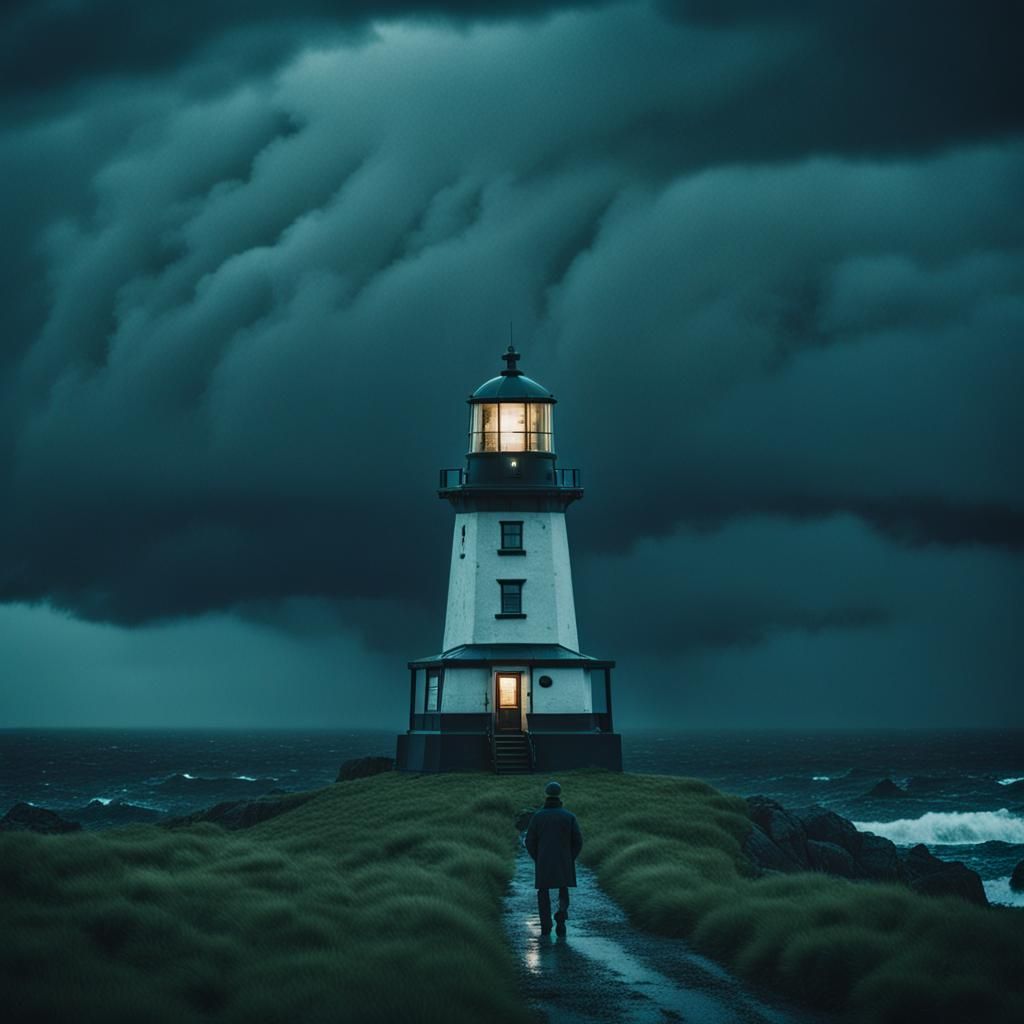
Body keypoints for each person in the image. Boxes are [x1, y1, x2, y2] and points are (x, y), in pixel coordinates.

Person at [524, 780, 583, 936]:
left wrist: (538, 858)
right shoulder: (569, 816)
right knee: (563, 889)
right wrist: (570, 858)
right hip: (564, 860)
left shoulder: (538, 817)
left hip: (543, 860)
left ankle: (546, 925)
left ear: (547, 795)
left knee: (543, 891)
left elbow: (529, 841)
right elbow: (578, 841)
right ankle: (561, 915)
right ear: (559, 796)